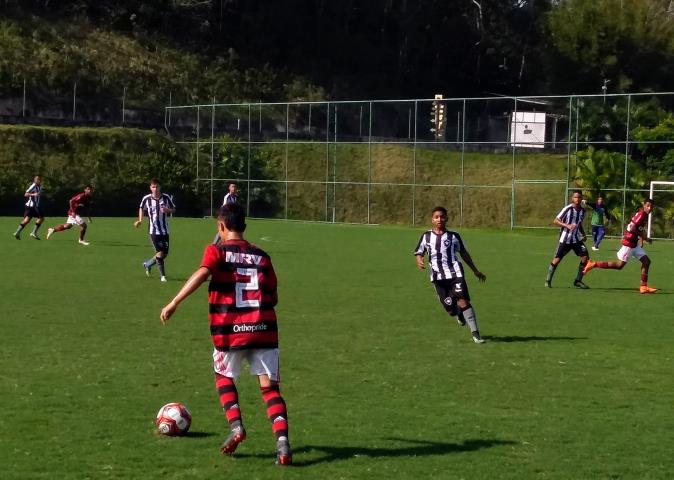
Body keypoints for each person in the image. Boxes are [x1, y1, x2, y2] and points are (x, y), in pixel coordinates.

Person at [160, 203, 292, 466]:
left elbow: (202, 273)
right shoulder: (263, 256)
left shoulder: (217, 251)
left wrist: (174, 302)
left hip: (229, 331)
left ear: (221, 226)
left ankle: (236, 427)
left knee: (223, 376)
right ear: (244, 225)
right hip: (263, 330)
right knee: (270, 390)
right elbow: (273, 297)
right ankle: (283, 443)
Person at [414, 206, 487, 344]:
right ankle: (458, 314)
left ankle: (476, 334)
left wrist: (475, 270)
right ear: (432, 219)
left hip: (455, 273)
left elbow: (464, 253)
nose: (439, 219)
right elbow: (419, 251)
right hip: (438, 277)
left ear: (446, 218)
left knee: (463, 300)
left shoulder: (454, 236)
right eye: (436, 217)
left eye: (442, 217)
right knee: (451, 310)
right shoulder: (426, 236)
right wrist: (419, 260)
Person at [583, 199, 658, 294]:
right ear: (644, 205)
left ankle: (643, 287)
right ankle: (593, 264)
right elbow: (633, 228)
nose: (649, 208)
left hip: (634, 244)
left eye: (651, 206)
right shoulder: (642, 214)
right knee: (619, 265)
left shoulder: (643, 214)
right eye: (648, 206)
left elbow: (638, 228)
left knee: (646, 262)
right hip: (629, 243)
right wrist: (643, 237)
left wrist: (644, 238)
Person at [545, 190, 591, 289]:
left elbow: (579, 224)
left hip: (576, 240)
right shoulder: (568, 209)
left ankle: (578, 281)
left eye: (579, 197)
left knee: (585, 258)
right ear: (572, 198)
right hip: (565, 240)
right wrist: (567, 225)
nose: (577, 199)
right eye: (575, 197)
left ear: (581, 198)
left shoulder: (583, 211)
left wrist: (583, 234)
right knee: (557, 260)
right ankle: (548, 280)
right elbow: (556, 220)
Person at [134, 179, 176, 282]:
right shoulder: (147, 199)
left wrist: (168, 210)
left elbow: (173, 208)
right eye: (153, 187)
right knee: (160, 253)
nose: (155, 189)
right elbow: (141, 208)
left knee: (164, 254)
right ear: (150, 188)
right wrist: (140, 220)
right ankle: (163, 276)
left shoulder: (166, 197)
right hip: (153, 231)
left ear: (160, 187)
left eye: (157, 187)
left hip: (165, 230)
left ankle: (147, 264)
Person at [14, 175, 45, 240]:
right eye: (37, 179)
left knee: (27, 220)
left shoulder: (39, 186)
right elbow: (26, 194)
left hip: (33, 206)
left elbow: (39, 194)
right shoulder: (33, 186)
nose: (38, 180)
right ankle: (33, 232)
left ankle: (17, 233)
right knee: (41, 218)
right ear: (34, 180)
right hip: (33, 206)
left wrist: (39, 193)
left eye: (39, 179)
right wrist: (33, 194)